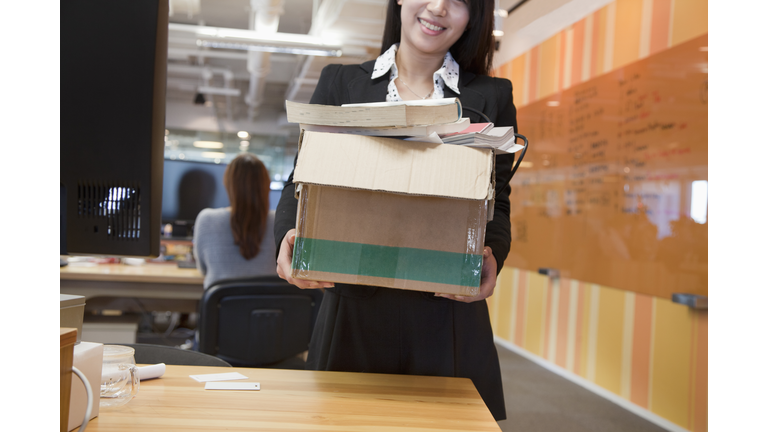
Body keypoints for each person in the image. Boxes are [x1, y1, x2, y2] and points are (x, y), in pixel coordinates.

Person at [274, 0, 517, 421]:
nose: (438, 7)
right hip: (353, 309)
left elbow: (499, 199)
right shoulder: (342, 82)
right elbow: (304, 177)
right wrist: (286, 238)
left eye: (457, 0)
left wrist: (494, 254)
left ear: (474, 14)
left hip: (448, 311)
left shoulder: (492, 96)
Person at [194, 153, 277, 290]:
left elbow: (203, 269)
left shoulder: (206, 220)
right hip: (272, 309)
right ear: (267, 185)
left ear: (228, 184)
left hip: (222, 309)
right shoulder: (280, 222)